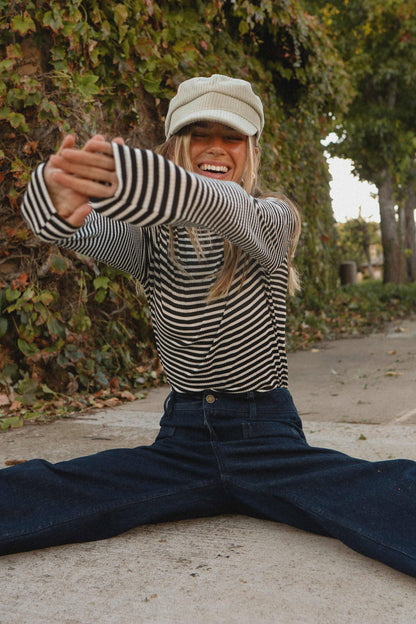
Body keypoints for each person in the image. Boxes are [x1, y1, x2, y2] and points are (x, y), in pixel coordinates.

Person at [2, 74, 415, 577]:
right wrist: (60, 204)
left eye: (232, 137)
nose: (215, 148)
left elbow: (220, 205)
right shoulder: (148, 241)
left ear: (251, 149)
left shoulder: (271, 218)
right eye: (200, 134)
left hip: (267, 438)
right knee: (53, 487)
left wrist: (129, 179)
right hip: (182, 441)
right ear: (176, 142)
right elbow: (73, 227)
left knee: (384, 492)